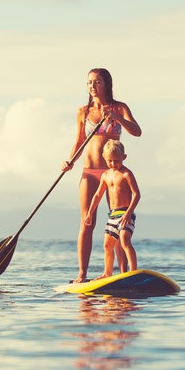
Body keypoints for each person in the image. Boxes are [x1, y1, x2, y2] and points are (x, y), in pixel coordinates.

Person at [61, 68, 141, 283]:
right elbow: (79, 142)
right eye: (89, 82)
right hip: (89, 172)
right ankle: (82, 275)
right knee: (86, 223)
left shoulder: (119, 107)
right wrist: (70, 161)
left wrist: (116, 118)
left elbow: (137, 131)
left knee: (118, 221)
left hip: (113, 173)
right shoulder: (83, 111)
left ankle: (123, 274)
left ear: (106, 84)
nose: (92, 86)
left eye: (96, 82)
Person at [83, 140, 140, 279]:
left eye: (117, 160)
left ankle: (133, 272)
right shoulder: (105, 175)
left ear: (124, 157)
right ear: (104, 157)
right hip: (113, 215)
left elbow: (137, 194)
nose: (114, 164)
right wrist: (90, 213)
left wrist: (128, 213)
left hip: (126, 213)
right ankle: (107, 273)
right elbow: (97, 195)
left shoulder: (126, 174)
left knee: (124, 240)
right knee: (107, 245)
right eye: (110, 161)